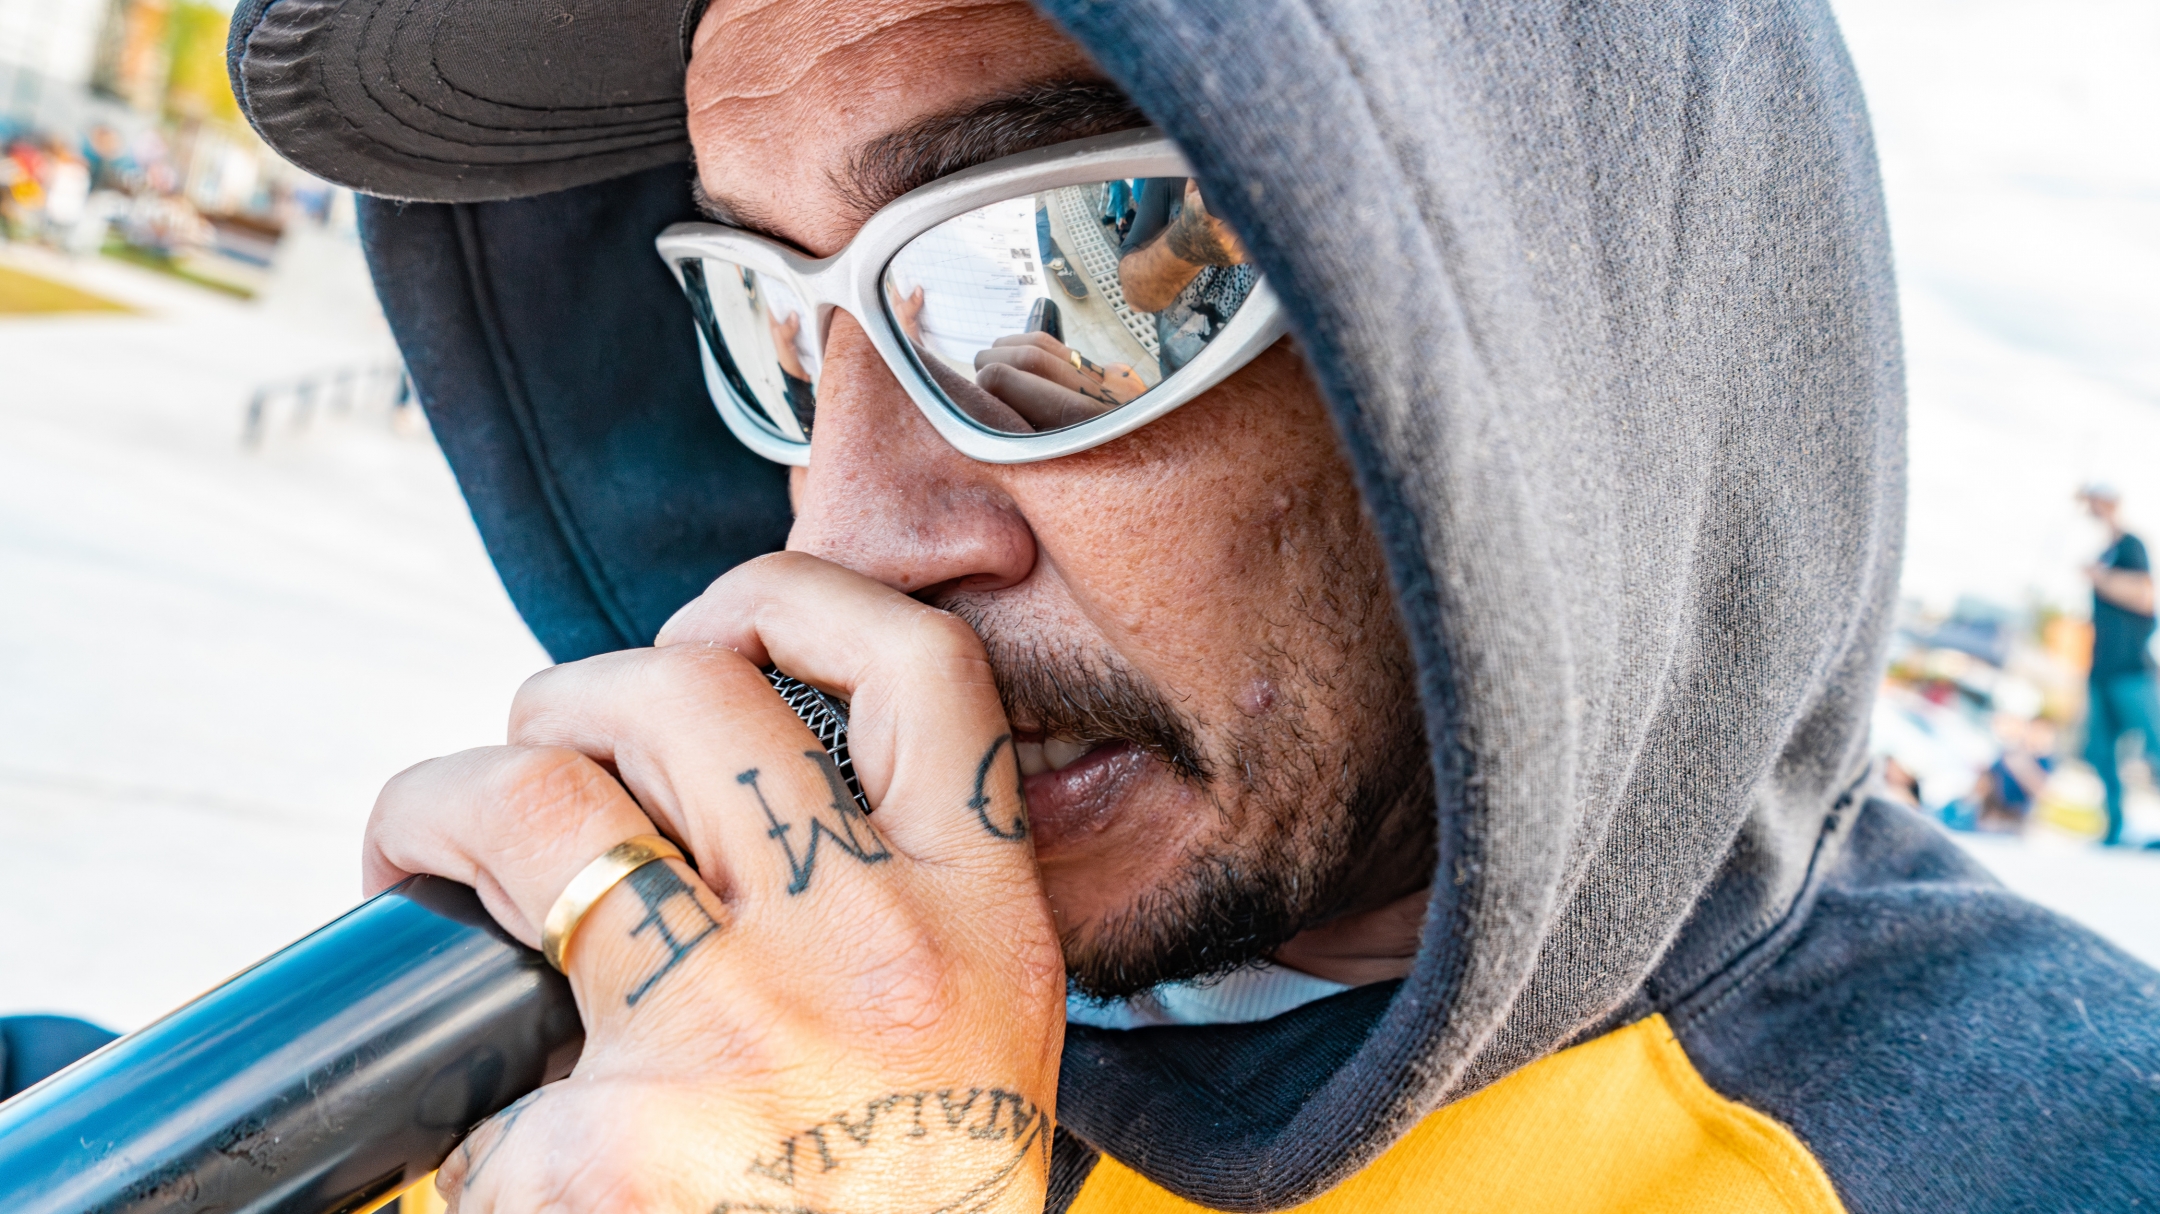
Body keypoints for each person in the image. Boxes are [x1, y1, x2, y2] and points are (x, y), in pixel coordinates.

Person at [226, 0, 2159, 1210]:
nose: (852, 531)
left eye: (1056, 267)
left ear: (1548, 337)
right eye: (781, 318)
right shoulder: (643, 1040)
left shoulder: (2053, 1155)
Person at [2077, 483, 2160, 846]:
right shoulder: (2105, 552)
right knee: (2101, 752)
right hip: (2102, 670)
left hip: (2132, 670)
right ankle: (2113, 828)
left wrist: (2099, 578)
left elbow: (2144, 595)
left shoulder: (2130, 545)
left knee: (2155, 745)